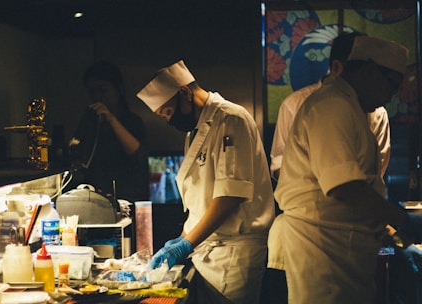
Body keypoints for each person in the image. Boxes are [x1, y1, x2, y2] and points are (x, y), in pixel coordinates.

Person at [274, 35, 421, 303]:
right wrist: (401, 219)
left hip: (343, 247)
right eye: (391, 86)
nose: (390, 97)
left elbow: (367, 182)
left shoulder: (353, 107)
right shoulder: (331, 106)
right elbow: (345, 186)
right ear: (368, 72)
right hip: (323, 248)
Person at [136, 60, 275, 304]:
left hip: (233, 253)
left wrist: (186, 244)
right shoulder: (196, 132)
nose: (169, 121)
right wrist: (181, 239)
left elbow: (230, 196)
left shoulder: (231, 119)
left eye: (168, 112)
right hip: (208, 250)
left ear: (184, 93)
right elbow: (200, 202)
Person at [69, 61, 149, 202]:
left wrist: (111, 119)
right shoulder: (89, 122)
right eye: (92, 92)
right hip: (96, 196)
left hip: (127, 196)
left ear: (118, 89)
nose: (98, 96)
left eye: (103, 90)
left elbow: (138, 154)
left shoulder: (132, 121)